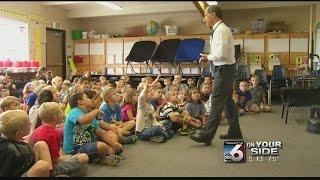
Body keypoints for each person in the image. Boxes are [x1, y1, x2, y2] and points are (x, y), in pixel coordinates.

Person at [190, 5, 243, 146]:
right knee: (227, 101)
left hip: (225, 69)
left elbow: (221, 54)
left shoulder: (221, 30)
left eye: (206, 15)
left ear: (213, 14)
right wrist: (209, 57)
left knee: (216, 100)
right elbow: (219, 54)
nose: (204, 18)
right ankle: (235, 131)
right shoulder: (218, 30)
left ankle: (207, 134)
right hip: (224, 68)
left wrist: (208, 56)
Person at [0, 110, 51, 177]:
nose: (30, 123)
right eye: (28, 123)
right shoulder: (14, 151)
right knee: (42, 166)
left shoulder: (7, 142)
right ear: (18, 133)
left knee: (41, 144)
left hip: (17, 169)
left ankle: (48, 173)